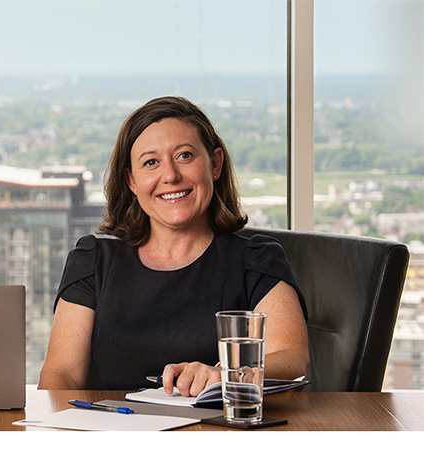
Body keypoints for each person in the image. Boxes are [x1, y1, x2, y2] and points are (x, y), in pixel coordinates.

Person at [38, 96, 308, 396]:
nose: (170, 175)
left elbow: (293, 359)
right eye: (151, 162)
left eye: (185, 156)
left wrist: (223, 375)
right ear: (131, 181)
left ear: (215, 164)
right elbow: (61, 374)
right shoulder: (93, 262)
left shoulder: (256, 260)